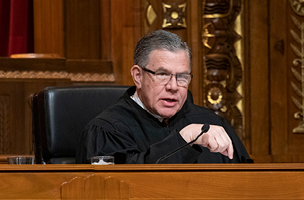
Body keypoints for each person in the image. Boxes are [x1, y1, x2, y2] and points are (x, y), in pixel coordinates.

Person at [76, 30, 251, 164]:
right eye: (162, 74)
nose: (173, 86)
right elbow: (123, 187)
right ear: (138, 76)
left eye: (182, 76)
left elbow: (249, 182)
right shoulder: (106, 131)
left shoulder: (211, 124)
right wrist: (184, 138)